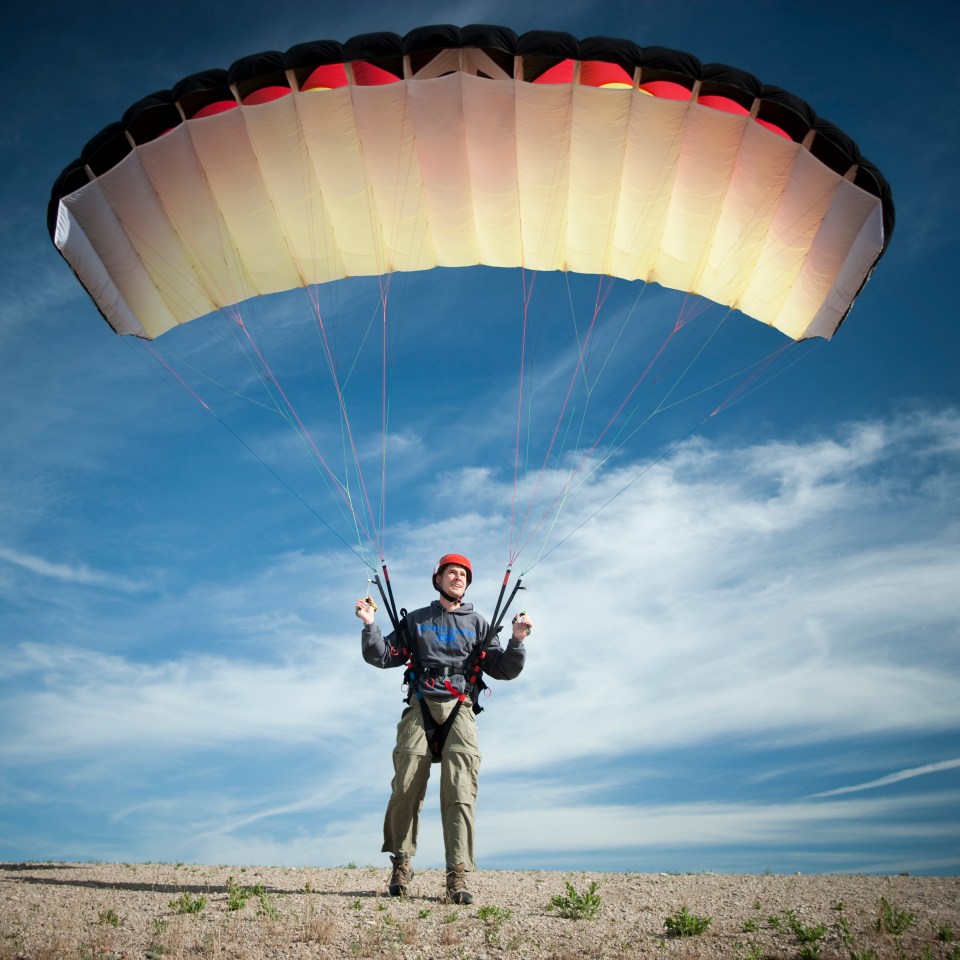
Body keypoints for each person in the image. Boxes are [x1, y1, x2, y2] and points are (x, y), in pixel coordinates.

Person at [355, 553, 530, 904]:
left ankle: (457, 876)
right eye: (452, 573)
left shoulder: (480, 623)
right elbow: (384, 655)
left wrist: (516, 640)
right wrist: (370, 624)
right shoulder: (418, 620)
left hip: (459, 708)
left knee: (460, 790)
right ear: (438, 579)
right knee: (405, 785)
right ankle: (401, 864)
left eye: (463, 574)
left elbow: (502, 669)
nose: (458, 578)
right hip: (421, 703)